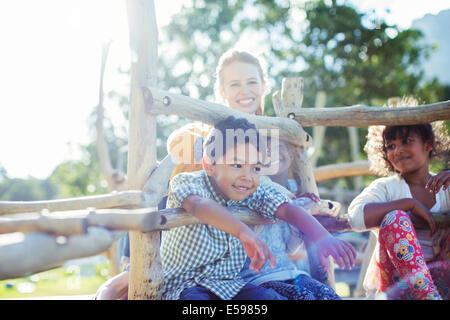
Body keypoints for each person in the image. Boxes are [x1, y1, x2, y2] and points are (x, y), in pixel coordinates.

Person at [95, 49, 350, 300]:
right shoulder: (204, 136)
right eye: (234, 84)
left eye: (251, 82)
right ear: (221, 91)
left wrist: (320, 231)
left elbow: (285, 202)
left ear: (263, 85)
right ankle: (129, 274)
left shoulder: (276, 136)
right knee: (171, 184)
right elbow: (183, 173)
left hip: (242, 268)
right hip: (193, 250)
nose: (244, 90)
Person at [162, 116, 355, 299]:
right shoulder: (188, 181)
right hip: (184, 285)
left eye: (255, 168)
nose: (248, 176)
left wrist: (323, 236)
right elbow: (198, 205)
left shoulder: (252, 190)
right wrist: (244, 232)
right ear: (209, 165)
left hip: (229, 285)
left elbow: (286, 209)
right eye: (237, 165)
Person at [348, 97, 449, 300]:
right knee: (395, 218)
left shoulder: (445, 188)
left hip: (442, 281)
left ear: (428, 145)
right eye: (390, 146)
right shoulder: (387, 188)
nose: (398, 150)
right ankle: (427, 296)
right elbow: (356, 218)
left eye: (406, 141)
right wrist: (407, 204)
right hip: (396, 285)